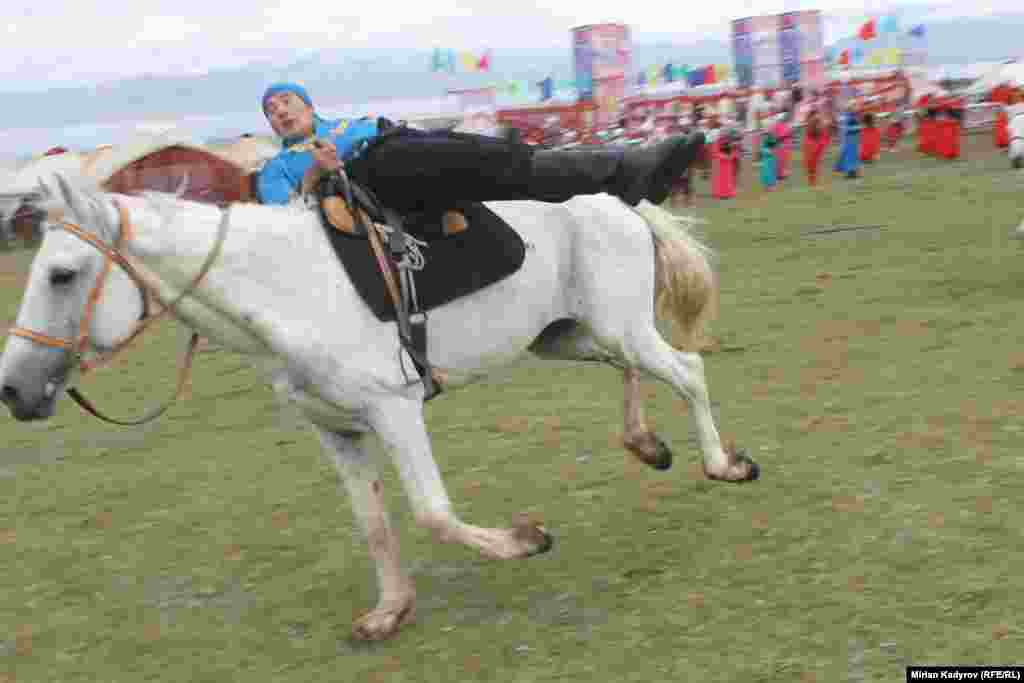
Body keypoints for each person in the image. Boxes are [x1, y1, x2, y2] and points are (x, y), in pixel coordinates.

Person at [255, 82, 703, 213]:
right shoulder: (277, 167)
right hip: (368, 175)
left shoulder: (349, 123)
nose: (281, 111)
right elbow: (281, 219)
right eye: (272, 111)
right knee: (492, 159)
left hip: (399, 143)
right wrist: (316, 174)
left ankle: (626, 171)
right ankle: (626, 169)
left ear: (309, 105)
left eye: (287, 102)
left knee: (497, 159)